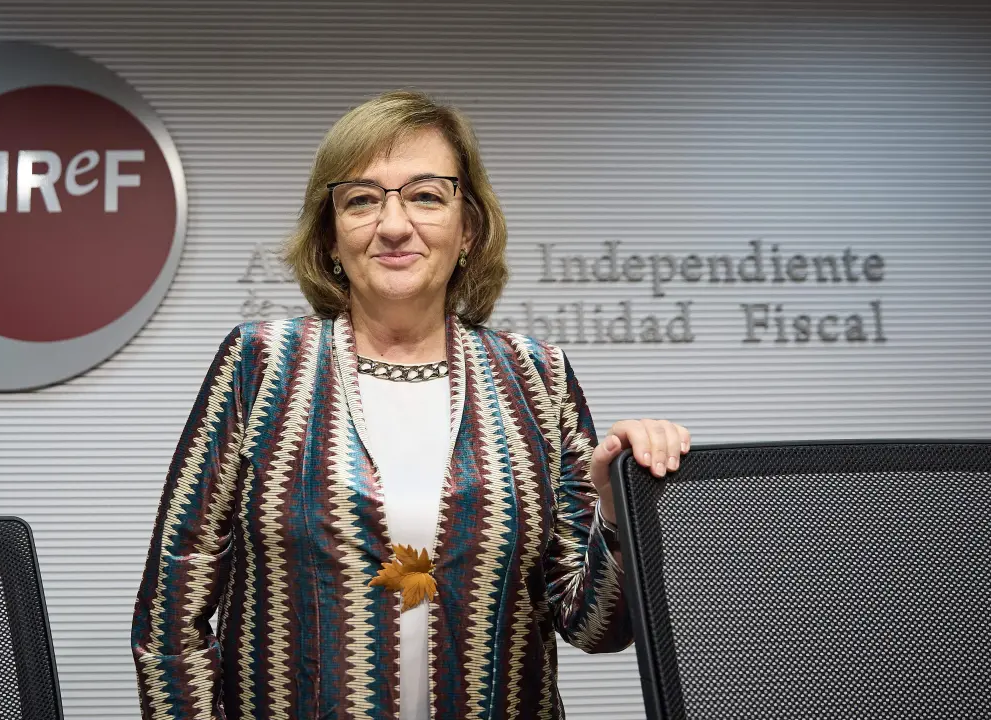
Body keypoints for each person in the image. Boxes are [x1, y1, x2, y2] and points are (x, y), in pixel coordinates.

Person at [131, 89, 692, 720]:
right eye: (362, 200)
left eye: (426, 196)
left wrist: (617, 512)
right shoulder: (262, 363)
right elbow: (169, 617)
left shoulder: (537, 376)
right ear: (330, 236)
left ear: (468, 229)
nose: (394, 225)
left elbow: (595, 628)